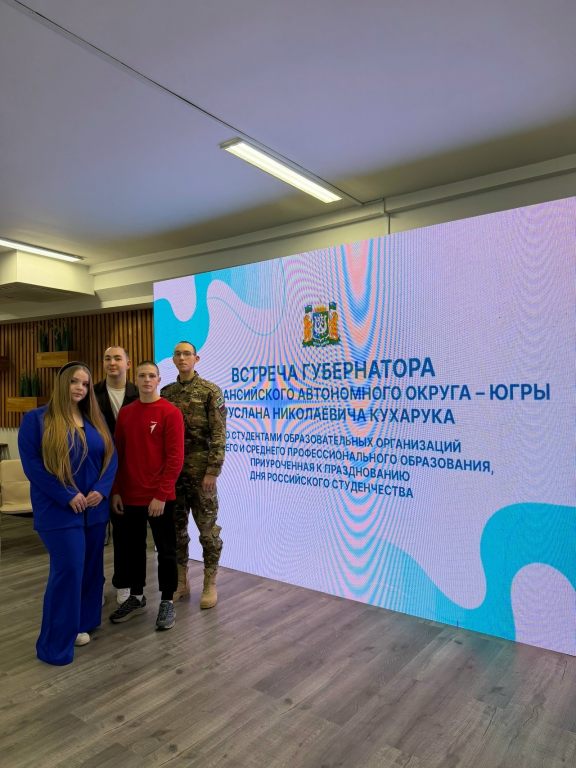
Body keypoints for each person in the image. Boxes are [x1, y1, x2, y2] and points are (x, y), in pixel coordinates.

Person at [18, 362, 117, 666]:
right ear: (62, 383)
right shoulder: (37, 420)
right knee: (69, 569)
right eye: (75, 382)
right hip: (59, 511)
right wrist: (67, 494)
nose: (80, 388)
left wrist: (102, 489)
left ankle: (83, 624)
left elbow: (111, 456)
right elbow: (33, 466)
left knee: (91, 569)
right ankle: (54, 645)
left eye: (85, 384)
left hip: (94, 509)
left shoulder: (94, 418)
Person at [108, 361, 184, 631]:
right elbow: (118, 455)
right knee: (133, 550)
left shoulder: (170, 412)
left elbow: (175, 459)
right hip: (129, 496)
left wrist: (161, 494)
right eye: (142, 376)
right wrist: (116, 490)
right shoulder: (126, 414)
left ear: (159, 379)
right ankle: (137, 596)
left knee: (166, 550)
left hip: (160, 498)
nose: (147, 380)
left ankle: (167, 600)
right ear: (136, 380)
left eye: (152, 375)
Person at [160, 341, 226, 609]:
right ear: (173, 359)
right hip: (173, 474)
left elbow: (219, 434)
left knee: (208, 531)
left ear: (196, 359)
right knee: (176, 532)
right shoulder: (166, 393)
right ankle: (181, 581)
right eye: (177, 354)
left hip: (201, 475)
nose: (182, 357)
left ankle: (210, 582)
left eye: (187, 354)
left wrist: (213, 471)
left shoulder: (210, 391)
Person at [94, 346, 138, 605]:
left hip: (127, 474)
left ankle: (123, 582)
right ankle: (94, 586)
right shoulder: (91, 393)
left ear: (128, 364)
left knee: (124, 534)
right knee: (95, 536)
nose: (112, 362)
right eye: (107, 358)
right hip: (97, 473)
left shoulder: (138, 393)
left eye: (117, 358)